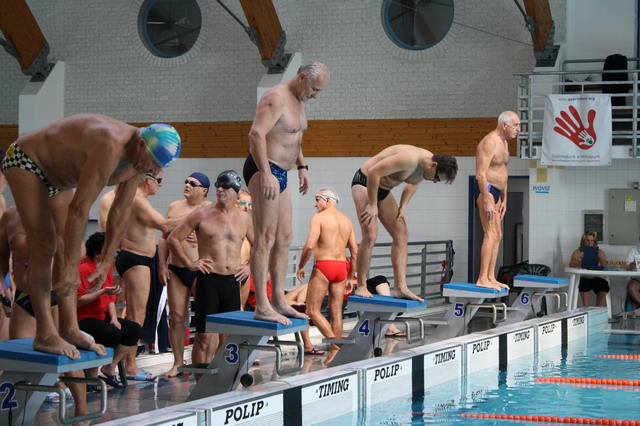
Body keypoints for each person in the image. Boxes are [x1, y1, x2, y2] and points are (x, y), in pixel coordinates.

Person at [1, 114, 180, 359]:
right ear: (141, 145)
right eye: (154, 163)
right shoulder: (110, 144)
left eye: (160, 167)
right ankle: (44, 333)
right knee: (45, 245)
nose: (154, 171)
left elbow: (121, 209)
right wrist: (70, 267)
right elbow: (80, 207)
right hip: (26, 160)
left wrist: (106, 261)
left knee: (65, 247)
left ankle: (69, 329)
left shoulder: (138, 162)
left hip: (57, 180)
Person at [244, 61, 329, 325]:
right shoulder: (275, 97)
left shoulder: (299, 100)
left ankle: (279, 300)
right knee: (266, 237)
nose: (315, 96)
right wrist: (266, 172)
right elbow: (255, 135)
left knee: (285, 237)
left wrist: (302, 167)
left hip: (282, 171)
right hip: (263, 168)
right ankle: (262, 305)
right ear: (302, 77)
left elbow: (295, 137)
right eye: (314, 89)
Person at [167, 170, 253, 369]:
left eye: (225, 186)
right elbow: (173, 238)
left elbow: (258, 246)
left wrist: (249, 266)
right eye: (218, 185)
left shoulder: (244, 218)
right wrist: (189, 263)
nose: (220, 189)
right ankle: (200, 381)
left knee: (229, 336)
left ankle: (223, 377)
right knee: (204, 338)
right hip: (208, 280)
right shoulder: (202, 214)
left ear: (236, 192)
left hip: (232, 281)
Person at [351, 144, 457, 301]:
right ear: (433, 165)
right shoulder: (409, 158)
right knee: (370, 235)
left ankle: (400, 287)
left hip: (383, 189)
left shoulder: (425, 166)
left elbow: (413, 183)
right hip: (365, 182)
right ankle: (361, 285)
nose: (434, 182)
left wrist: (402, 206)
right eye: (436, 178)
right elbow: (374, 172)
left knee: (402, 233)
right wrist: (372, 204)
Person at [116, 171, 180, 380]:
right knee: (137, 315)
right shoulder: (137, 199)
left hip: (137, 259)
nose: (161, 185)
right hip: (136, 259)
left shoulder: (136, 198)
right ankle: (129, 366)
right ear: (148, 180)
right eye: (159, 181)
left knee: (136, 314)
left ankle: (125, 363)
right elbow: (163, 225)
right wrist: (196, 214)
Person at [158, 172, 211, 378]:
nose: (187, 185)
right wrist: (162, 265)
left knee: (205, 318)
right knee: (177, 317)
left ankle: (206, 359)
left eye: (193, 183)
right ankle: (178, 362)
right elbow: (164, 238)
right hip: (177, 268)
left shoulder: (210, 208)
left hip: (201, 269)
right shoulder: (174, 207)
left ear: (204, 190)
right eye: (186, 181)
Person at [296, 187, 357, 363]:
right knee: (336, 312)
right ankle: (333, 354)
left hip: (324, 266)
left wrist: (301, 265)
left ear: (328, 200)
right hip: (341, 267)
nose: (315, 205)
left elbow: (309, 245)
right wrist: (350, 276)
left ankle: (336, 346)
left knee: (312, 310)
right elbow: (355, 252)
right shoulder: (347, 220)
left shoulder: (319, 218)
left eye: (318, 200)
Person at [77, 232, 142, 388]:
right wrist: (100, 292)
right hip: (82, 319)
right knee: (110, 333)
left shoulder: (106, 267)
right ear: (97, 253)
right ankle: (92, 373)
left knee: (133, 329)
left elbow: (110, 298)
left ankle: (110, 366)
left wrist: (114, 318)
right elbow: (77, 301)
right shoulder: (83, 269)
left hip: (101, 316)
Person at [474, 111, 519, 290]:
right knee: (490, 233)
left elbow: (503, 172)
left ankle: (490, 277)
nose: (518, 129)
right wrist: (486, 199)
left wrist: (505, 198)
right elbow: (480, 174)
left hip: (498, 193)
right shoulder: (490, 142)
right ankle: (482, 278)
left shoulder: (504, 142)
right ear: (504, 125)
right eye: (516, 125)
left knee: (498, 235)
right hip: (488, 191)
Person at [569, 232, 609, 307]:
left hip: (595, 277)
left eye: (592, 241)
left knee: (604, 285)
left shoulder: (599, 252)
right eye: (587, 240)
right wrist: (579, 258)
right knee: (584, 284)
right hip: (582, 277)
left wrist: (602, 258)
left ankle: (598, 308)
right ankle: (586, 308)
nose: (590, 243)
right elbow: (571, 265)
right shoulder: (577, 252)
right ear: (583, 241)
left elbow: (604, 265)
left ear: (594, 242)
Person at [624, 237, 640, 312]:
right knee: (631, 288)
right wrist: (632, 264)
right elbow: (626, 265)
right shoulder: (633, 249)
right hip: (637, 279)